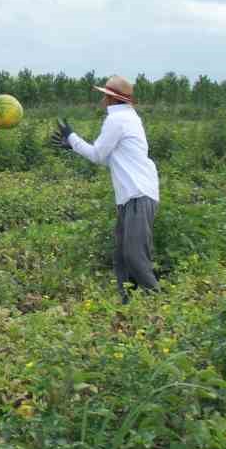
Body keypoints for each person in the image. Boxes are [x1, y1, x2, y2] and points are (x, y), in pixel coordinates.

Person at [49, 75, 161, 302]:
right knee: (121, 256)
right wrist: (74, 147)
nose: (102, 99)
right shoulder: (128, 118)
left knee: (134, 255)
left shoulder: (117, 120)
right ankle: (128, 303)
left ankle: (156, 302)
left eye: (105, 95)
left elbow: (98, 154)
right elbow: (110, 159)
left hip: (138, 193)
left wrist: (71, 136)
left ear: (111, 99)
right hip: (132, 195)